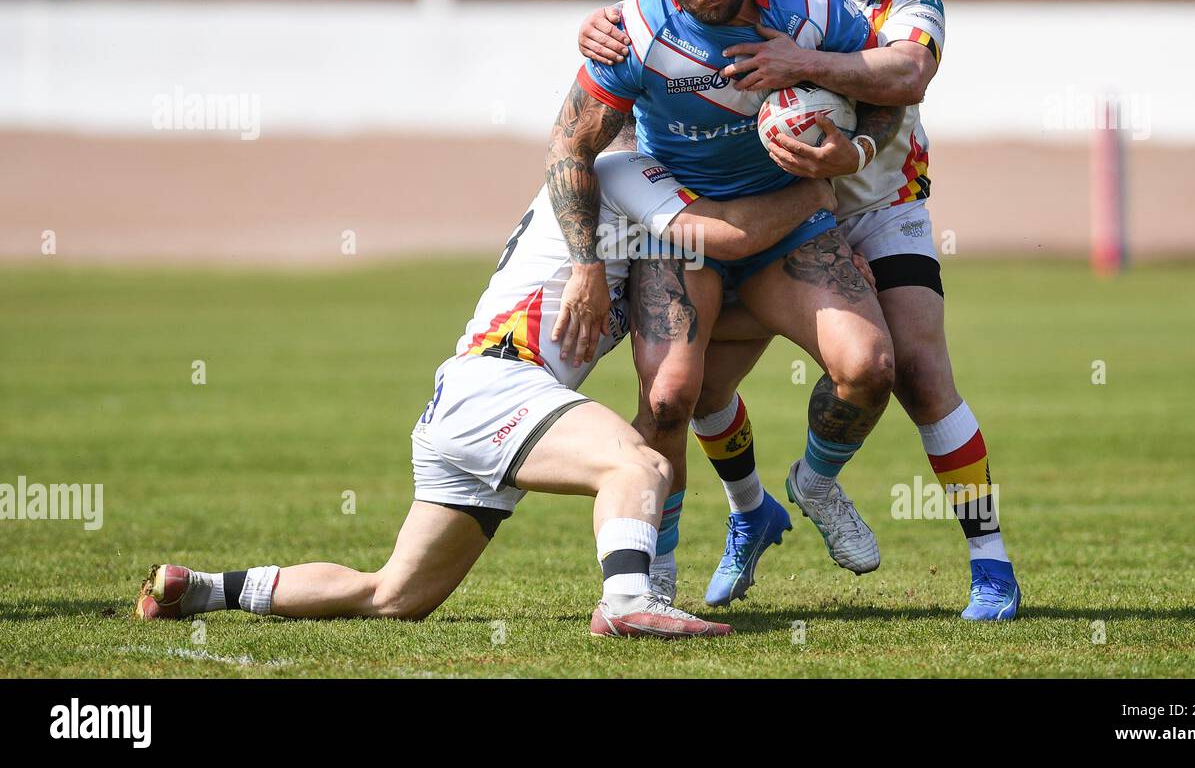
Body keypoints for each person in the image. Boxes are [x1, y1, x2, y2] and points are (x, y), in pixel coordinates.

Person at [134, 125, 835, 638]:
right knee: (638, 464)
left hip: (468, 399)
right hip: (502, 387)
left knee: (393, 597)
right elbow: (730, 236)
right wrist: (820, 187)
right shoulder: (621, 169)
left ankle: (201, 590)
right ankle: (626, 604)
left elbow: (709, 288)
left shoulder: (604, 189)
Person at [577, 0, 1020, 621]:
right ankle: (748, 511)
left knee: (909, 367)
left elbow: (908, 71)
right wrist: (603, 26)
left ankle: (987, 562)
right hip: (764, 204)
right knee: (693, 389)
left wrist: (803, 73)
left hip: (876, 196)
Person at [547, 0, 898, 608]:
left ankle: (816, 482)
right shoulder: (633, 34)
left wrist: (854, 150)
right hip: (684, 231)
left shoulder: (812, 3)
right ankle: (660, 567)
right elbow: (568, 147)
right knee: (671, 397)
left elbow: (887, 98)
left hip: (792, 222)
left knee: (870, 368)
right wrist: (587, 264)